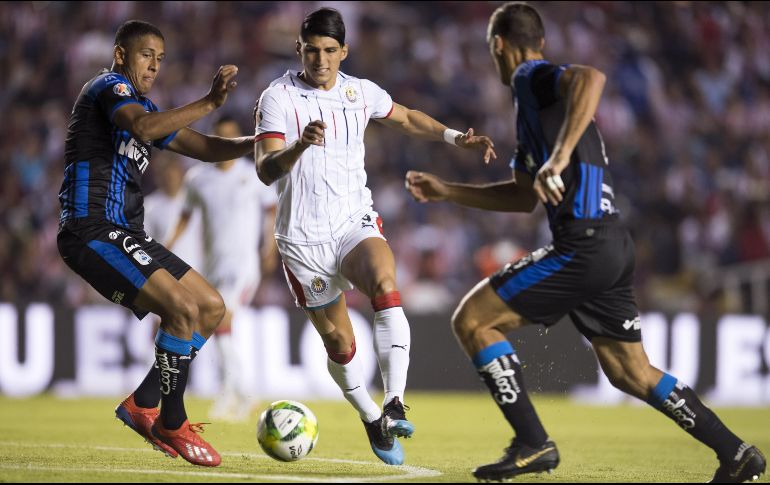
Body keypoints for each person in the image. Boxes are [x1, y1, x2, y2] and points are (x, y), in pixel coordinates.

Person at [404, 2, 767, 482]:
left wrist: (556, 159)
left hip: (584, 244)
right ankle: (736, 452)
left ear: (498, 46)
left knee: (473, 320)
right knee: (630, 372)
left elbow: (591, 77)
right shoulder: (536, 112)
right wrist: (449, 191)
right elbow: (520, 197)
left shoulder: (530, 78)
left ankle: (533, 443)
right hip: (611, 245)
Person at [253, 7, 495, 466]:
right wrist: (300, 145)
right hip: (302, 241)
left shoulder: (359, 92)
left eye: (329, 51)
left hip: (352, 223)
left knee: (386, 284)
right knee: (341, 346)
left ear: (343, 51)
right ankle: (370, 417)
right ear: (298, 49)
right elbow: (266, 169)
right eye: (311, 50)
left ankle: (395, 401)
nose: (320, 60)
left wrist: (454, 137)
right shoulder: (278, 97)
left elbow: (405, 118)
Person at [57, 20, 254, 467]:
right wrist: (209, 101)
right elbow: (143, 128)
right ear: (121, 54)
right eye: (147, 54)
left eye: (160, 58)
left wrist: (262, 143)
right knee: (182, 310)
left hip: (124, 232)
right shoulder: (108, 88)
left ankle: (142, 403)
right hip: (91, 229)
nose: (154, 65)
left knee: (210, 306)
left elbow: (204, 147)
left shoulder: (146, 108)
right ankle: (172, 422)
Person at [166, 115, 278, 422]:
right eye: (221, 138)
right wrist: (165, 247)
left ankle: (232, 392)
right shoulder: (198, 179)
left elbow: (272, 211)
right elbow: (185, 217)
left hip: (243, 265)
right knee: (217, 326)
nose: (227, 144)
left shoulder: (254, 174)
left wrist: (270, 246)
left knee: (224, 320)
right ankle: (241, 392)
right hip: (211, 266)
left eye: (232, 137)